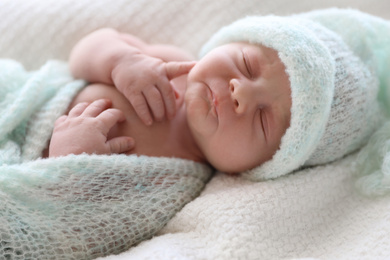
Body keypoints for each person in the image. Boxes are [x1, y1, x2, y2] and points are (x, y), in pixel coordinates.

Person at [49, 8, 389, 181]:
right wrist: (120, 60)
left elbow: (85, 228)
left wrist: (70, 163)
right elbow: (82, 54)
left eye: (262, 118)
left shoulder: (176, 178)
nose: (240, 92)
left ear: (264, 166)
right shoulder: (169, 63)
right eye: (247, 64)